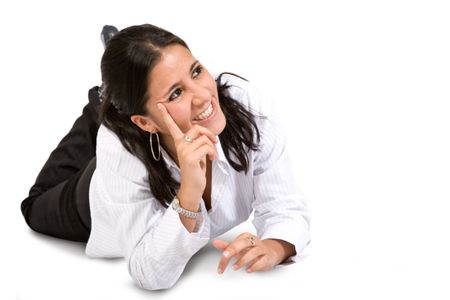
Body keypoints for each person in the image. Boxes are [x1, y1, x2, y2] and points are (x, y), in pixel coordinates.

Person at [20, 23, 311, 290]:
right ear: (145, 123)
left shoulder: (244, 103)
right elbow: (148, 273)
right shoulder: (120, 151)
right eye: (175, 94)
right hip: (98, 194)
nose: (203, 96)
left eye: (196, 71)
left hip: (140, 125)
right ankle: (102, 104)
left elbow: (286, 207)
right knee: (34, 208)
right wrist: (189, 192)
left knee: (126, 108)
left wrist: (276, 246)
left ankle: (116, 96)